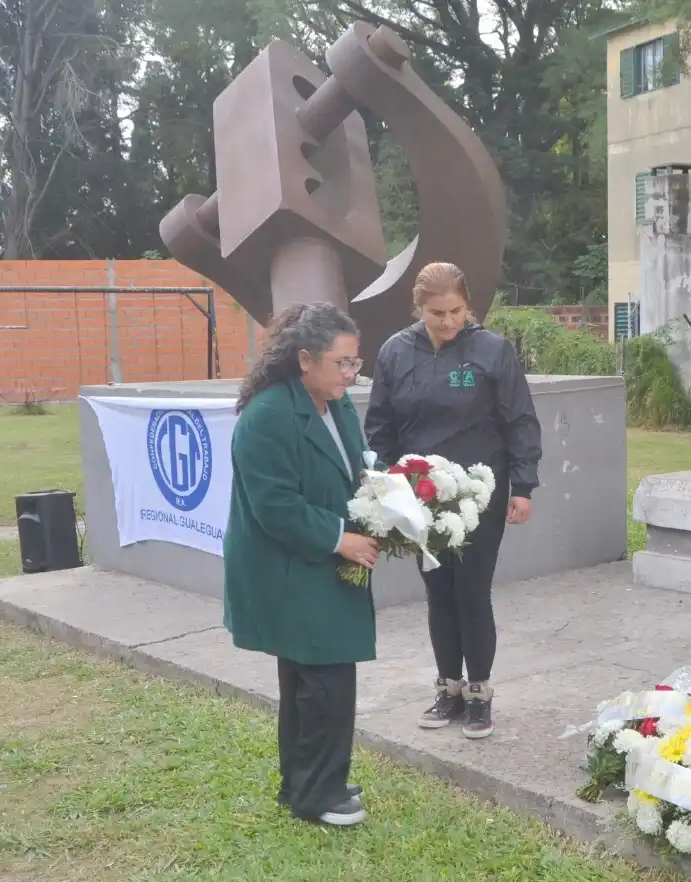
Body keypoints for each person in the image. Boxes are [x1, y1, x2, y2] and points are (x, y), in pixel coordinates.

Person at [365, 262, 542, 741]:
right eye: (437, 313)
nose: (448, 322)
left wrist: (523, 486)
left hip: (479, 494)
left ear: (468, 306)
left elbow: (520, 421)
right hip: (420, 497)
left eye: (457, 311)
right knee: (438, 591)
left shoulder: (492, 351)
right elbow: (380, 426)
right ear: (418, 308)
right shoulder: (395, 353)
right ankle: (448, 689)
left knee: (472, 591)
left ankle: (480, 692)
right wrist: (387, 486)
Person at [224, 302, 381, 827]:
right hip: (288, 566)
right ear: (305, 359)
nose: (351, 374)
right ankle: (317, 795)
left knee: (315, 678)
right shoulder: (267, 416)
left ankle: (308, 782)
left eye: (355, 362)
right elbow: (275, 506)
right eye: (342, 363)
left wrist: (393, 498)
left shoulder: (335, 402)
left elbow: (358, 465)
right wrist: (341, 539)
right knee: (323, 680)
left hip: (322, 560)